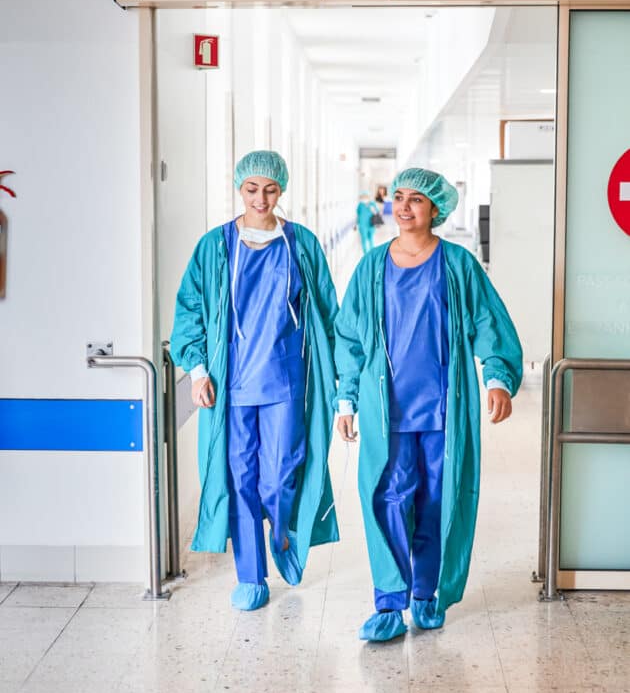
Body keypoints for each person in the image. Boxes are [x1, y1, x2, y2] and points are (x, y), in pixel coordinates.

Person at [334, 168, 522, 641]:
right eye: (398, 197)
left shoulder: (457, 265)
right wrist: (345, 398)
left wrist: (496, 377)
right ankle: (389, 603)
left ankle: (426, 592)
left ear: (435, 209)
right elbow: (350, 338)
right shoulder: (371, 267)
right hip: (387, 413)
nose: (403, 206)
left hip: (443, 412)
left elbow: (488, 323)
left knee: (438, 503)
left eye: (416, 199)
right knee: (389, 501)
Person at [170, 150, 339, 611]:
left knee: (279, 476)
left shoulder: (300, 244)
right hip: (231, 386)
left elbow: (326, 311)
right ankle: (251, 575)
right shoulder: (215, 246)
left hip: (285, 381)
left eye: (270, 189)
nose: (261, 198)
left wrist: (343, 383)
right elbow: (189, 311)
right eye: (252, 189)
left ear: (281, 191)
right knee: (240, 477)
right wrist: (198, 370)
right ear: (238, 189)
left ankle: (283, 538)